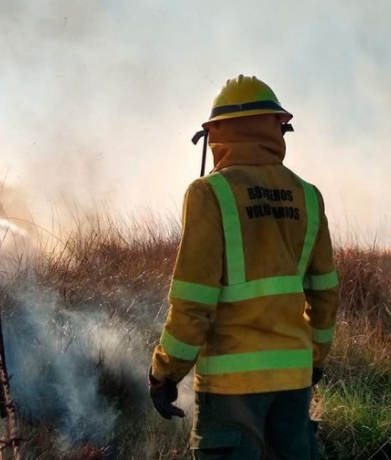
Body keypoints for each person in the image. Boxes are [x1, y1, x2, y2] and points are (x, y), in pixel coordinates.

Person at [149, 75, 340, 459]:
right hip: (294, 380)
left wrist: (166, 372)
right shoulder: (308, 195)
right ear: (277, 128)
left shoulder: (210, 192)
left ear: (217, 134)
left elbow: (194, 300)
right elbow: (325, 293)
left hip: (232, 388)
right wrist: (314, 360)